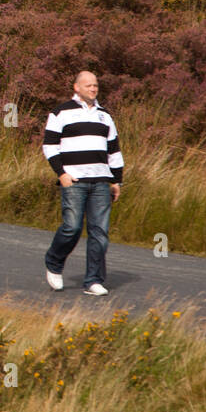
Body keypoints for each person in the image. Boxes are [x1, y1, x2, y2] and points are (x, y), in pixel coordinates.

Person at [42, 70, 124, 296]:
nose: (93, 88)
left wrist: (116, 180)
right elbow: (49, 146)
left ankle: (93, 280)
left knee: (99, 232)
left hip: (100, 181)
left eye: (96, 85)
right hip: (74, 180)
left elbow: (114, 150)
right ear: (76, 87)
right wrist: (61, 173)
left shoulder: (105, 115)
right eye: (88, 85)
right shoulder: (61, 112)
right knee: (72, 227)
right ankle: (54, 262)